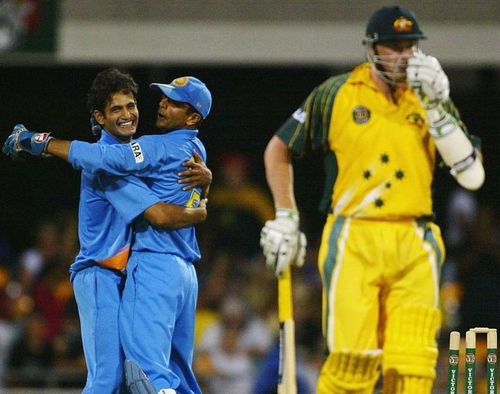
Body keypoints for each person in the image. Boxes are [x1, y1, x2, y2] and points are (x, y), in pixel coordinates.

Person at [259, 5, 484, 393]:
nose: (403, 56)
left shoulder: (431, 96)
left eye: (409, 46)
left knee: (412, 366)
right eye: (393, 47)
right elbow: (279, 149)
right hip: (354, 237)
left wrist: (435, 107)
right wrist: (285, 214)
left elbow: (472, 174)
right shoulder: (337, 93)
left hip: (415, 239)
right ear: (372, 48)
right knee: (351, 363)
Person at [3, 69, 211, 393]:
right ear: (99, 117)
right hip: (99, 275)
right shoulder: (106, 168)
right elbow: (158, 213)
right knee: (107, 378)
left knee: (133, 379)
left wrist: (205, 187)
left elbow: (177, 182)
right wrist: (198, 213)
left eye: (131, 105)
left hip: (123, 276)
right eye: (116, 109)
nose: (128, 114)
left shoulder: (141, 159)